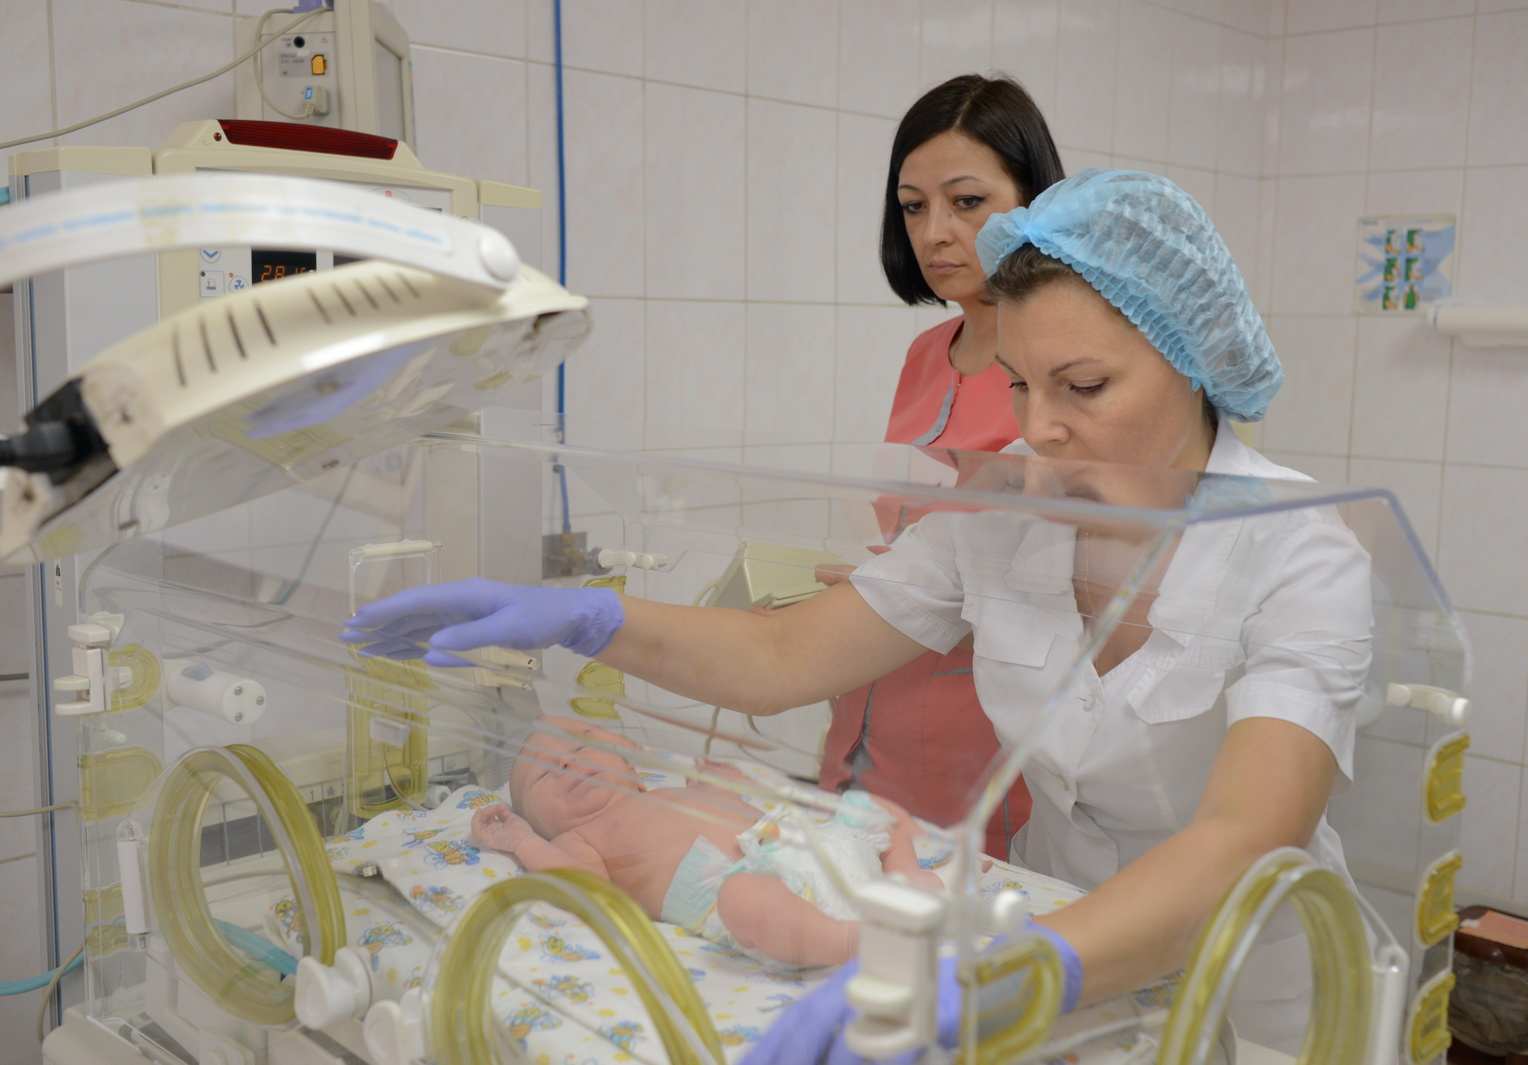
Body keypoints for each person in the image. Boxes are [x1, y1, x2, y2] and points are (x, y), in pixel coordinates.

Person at [344, 170, 1371, 1056]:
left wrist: (1005, 976)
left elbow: (1244, 833)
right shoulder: (1009, 511)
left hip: (1250, 986)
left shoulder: (1300, 549)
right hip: (1037, 944)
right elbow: (785, 655)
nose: (1041, 428)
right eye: (1020, 385)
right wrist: (582, 617)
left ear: (1192, 360)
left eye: (1085, 385)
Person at [823, 74, 1066, 859]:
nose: (935, 233)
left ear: (1033, 202)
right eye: (913, 206)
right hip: (870, 709)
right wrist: (864, 580)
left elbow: (1080, 572)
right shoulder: (928, 354)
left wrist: (916, 592)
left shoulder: (1064, 369)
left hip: (984, 738)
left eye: (967, 202)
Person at [470, 717, 942, 968]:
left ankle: (904, 875)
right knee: (744, 899)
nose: (566, 764)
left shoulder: (673, 792)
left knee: (870, 808)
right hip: (771, 897)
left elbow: (743, 808)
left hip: (813, 848)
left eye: (578, 747)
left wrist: (724, 785)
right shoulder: (581, 838)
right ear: (542, 824)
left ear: (631, 766)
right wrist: (522, 841)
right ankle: (847, 941)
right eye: (543, 775)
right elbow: (580, 885)